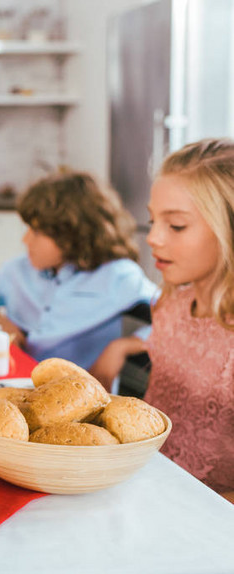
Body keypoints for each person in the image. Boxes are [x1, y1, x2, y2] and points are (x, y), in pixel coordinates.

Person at [0, 171, 159, 371]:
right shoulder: (18, 270)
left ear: (71, 234)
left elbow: (178, 320)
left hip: (80, 400)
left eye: (36, 231)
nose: (25, 239)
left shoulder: (119, 276)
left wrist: (123, 347)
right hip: (17, 382)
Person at [127, 139, 232, 500]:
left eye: (176, 226)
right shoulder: (170, 306)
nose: (153, 238)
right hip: (144, 490)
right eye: (153, 221)